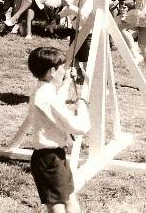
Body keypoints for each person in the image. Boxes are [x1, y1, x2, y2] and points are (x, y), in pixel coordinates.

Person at [6, 47, 90, 213]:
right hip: (49, 159)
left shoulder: (43, 89)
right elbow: (80, 127)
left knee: (69, 199)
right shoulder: (46, 97)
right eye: (62, 68)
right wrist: (83, 103)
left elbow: (56, 101)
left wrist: (66, 83)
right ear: (53, 71)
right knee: (59, 206)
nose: (64, 71)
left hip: (52, 157)